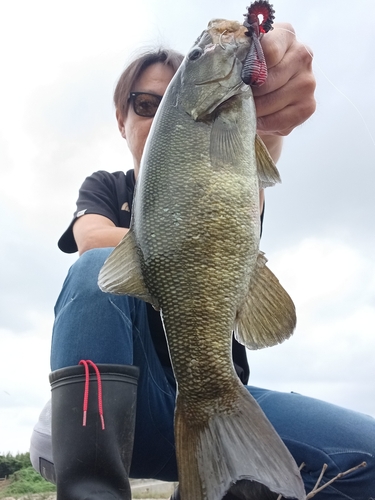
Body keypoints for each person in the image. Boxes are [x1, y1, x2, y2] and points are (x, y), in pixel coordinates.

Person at [30, 22, 375, 500]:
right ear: (120, 118)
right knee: (93, 268)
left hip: (223, 394)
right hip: (121, 415)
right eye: (142, 105)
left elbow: (258, 170)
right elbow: (91, 241)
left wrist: (271, 119)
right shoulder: (107, 187)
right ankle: (92, 489)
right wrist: (180, 233)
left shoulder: (231, 157)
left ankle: (213, 477)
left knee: (368, 455)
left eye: (164, 98)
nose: (152, 115)